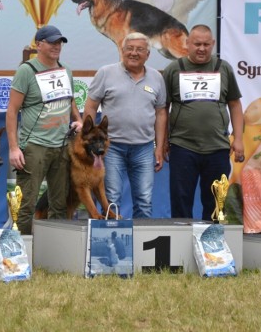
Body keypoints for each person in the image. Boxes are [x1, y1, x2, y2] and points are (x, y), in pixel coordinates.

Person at [163, 24, 245, 220]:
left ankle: (213, 247)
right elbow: (162, 108)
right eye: (197, 44)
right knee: (181, 200)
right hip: (182, 146)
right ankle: (181, 247)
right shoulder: (174, 69)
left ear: (213, 44)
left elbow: (234, 104)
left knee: (217, 204)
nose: (201, 48)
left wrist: (239, 138)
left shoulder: (223, 68)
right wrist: (163, 141)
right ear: (187, 43)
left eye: (206, 44)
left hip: (217, 147)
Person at [6, 25, 82, 235]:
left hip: (62, 146)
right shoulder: (26, 70)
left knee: (59, 204)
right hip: (34, 147)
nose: (57, 46)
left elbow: (70, 100)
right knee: (26, 204)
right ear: (38, 45)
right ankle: (20, 252)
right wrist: (14, 148)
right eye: (52, 42)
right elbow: (12, 111)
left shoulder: (65, 69)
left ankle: (53, 253)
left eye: (60, 42)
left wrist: (79, 120)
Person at [84, 32, 167, 218]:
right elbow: (91, 105)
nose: (134, 53)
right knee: (111, 198)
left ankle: (140, 244)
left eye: (139, 49)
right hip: (111, 148)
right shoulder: (106, 73)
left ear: (148, 54)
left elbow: (161, 112)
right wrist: (88, 141)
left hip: (144, 148)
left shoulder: (157, 78)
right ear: (122, 51)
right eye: (129, 48)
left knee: (144, 200)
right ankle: (111, 244)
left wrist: (159, 147)